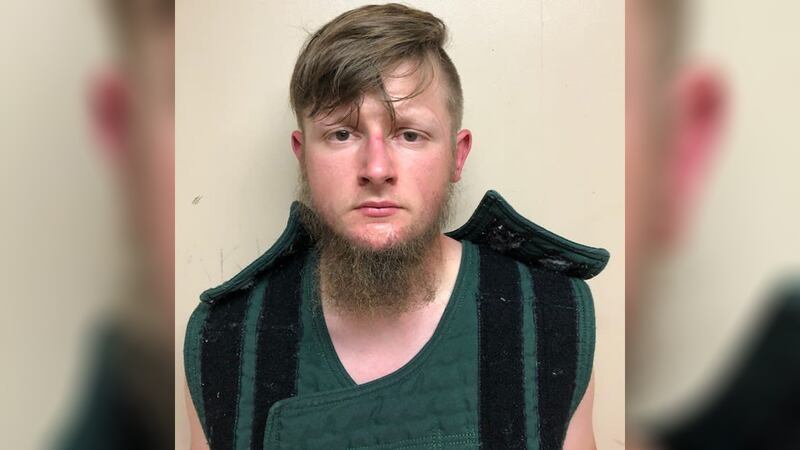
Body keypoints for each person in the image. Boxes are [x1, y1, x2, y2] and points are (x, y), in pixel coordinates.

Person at [184, 4, 608, 449]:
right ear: (303, 156)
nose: (377, 168)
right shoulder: (223, 341)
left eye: (409, 134)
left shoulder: (552, 318)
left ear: (457, 156)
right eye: (342, 134)